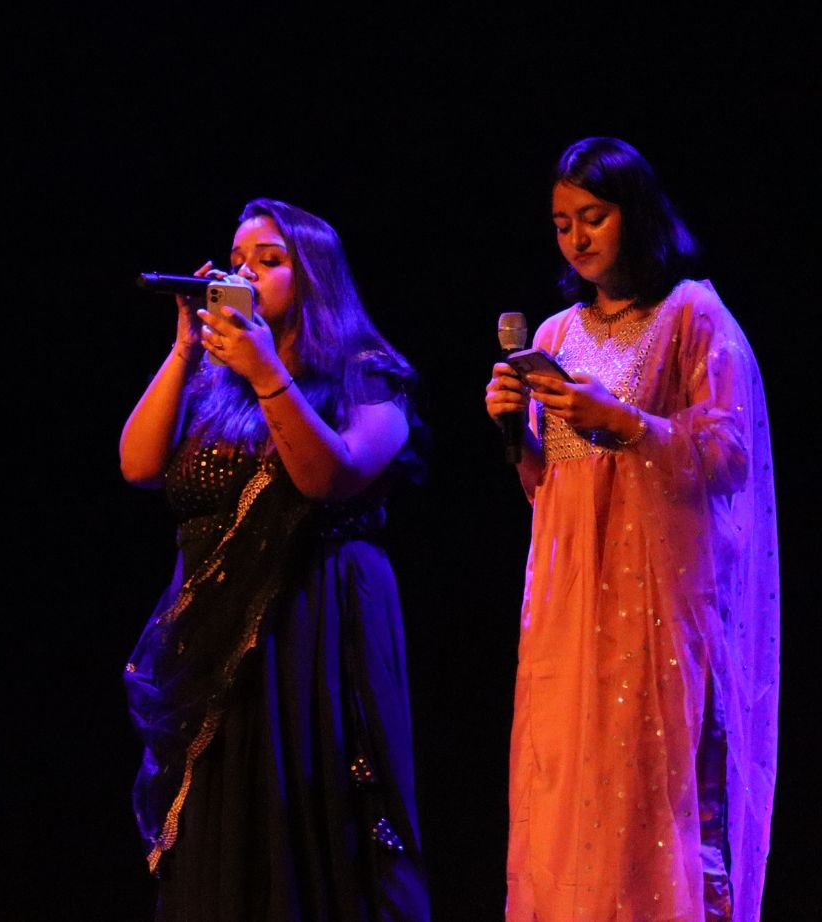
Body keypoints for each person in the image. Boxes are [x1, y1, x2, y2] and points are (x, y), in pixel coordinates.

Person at [485, 137, 777, 921]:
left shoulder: (692, 316)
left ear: (634, 216)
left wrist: (630, 423)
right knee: (567, 785)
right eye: (561, 223)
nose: (577, 238)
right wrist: (518, 432)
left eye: (594, 217)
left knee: (654, 791)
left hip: (654, 599)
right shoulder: (552, 336)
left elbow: (731, 452)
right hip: (567, 604)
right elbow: (549, 488)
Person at [119, 199, 429, 919]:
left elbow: (329, 477)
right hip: (215, 639)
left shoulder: (367, 374)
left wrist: (265, 371)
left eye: (269, 259)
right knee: (222, 815)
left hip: (313, 624)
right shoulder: (214, 383)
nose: (246, 274)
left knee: (307, 814)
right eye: (238, 259)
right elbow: (137, 464)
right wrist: (183, 350)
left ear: (313, 276)